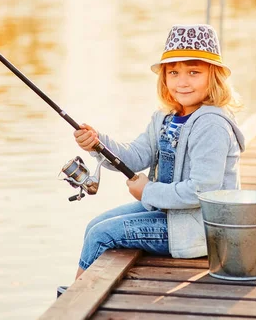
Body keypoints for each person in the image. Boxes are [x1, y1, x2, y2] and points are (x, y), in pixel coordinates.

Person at [72, 24, 245, 281]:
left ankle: (75, 305)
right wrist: (97, 143)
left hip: (201, 229)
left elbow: (201, 191)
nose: (182, 82)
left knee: (101, 235)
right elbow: (134, 157)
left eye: (194, 72)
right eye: (173, 72)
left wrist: (148, 192)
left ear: (214, 77)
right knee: (94, 225)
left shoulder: (212, 125)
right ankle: (78, 295)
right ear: (164, 78)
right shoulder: (166, 117)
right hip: (169, 214)